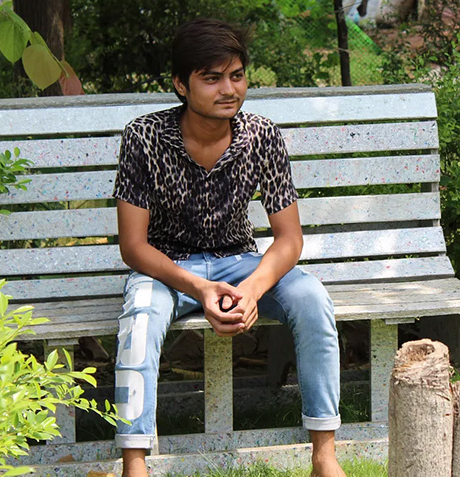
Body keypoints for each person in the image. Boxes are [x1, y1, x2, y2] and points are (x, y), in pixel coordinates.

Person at [112, 18, 346, 477]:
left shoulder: (261, 136)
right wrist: (199, 288)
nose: (228, 89)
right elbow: (134, 246)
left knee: (312, 298)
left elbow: (289, 238)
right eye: (212, 77)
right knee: (139, 319)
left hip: (240, 262)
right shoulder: (143, 137)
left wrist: (255, 288)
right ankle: (134, 464)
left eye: (236, 75)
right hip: (167, 269)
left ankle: (324, 453)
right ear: (181, 84)